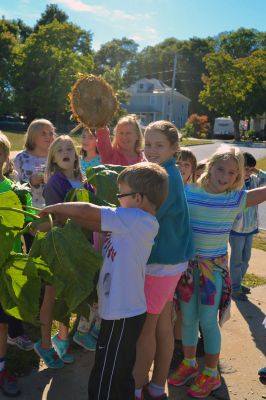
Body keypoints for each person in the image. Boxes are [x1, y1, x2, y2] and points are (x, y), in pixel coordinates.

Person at [39, 162, 169, 400]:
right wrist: (65, 219)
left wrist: (56, 207)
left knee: (108, 376)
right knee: (112, 369)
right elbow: (94, 222)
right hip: (118, 311)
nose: (117, 199)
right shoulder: (131, 221)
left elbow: (88, 211)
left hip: (123, 313)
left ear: (138, 198)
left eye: (121, 194)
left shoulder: (137, 220)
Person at [168, 145, 266, 398]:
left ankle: (211, 372)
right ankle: (190, 363)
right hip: (188, 269)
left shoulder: (236, 199)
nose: (224, 176)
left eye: (232, 173)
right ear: (210, 168)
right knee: (187, 319)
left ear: (238, 177)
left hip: (213, 271)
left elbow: (263, 193)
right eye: (220, 169)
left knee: (208, 321)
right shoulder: (188, 192)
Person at [134, 121, 194, 400]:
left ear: (174, 148)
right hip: (170, 262)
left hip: (161, 264)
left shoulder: (165, 178)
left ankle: (136, 387)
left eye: (159, 145)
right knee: (162, 324)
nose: (151, 150)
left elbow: (147, 216)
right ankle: (157, 386)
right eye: (148, 144)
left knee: (146, 328)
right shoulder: (166, 172)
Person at [34, 135, 93, 368]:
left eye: (70, 148)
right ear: (54, 159)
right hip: (59, 245)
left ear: (76, 155)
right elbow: (56, 217)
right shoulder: (55, 183)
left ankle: (63, 339)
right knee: (51, 295)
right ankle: (44, 344)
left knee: (73, 294)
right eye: (60, 150)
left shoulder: (84, 179)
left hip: (79, 244)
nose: (66, 151)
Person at [0, 132, 34, 398]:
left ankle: (2, 368)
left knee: (2, 322)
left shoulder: (14, 191)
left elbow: (30, 221)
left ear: (6, 158)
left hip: (6, 265)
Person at [13, 119, 55, 252]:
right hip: (28, 211)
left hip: (51, 211)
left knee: (50, 248)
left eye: (51, 133)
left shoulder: (55, 157)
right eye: (43, 133)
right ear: (33, 136)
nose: (49, 136)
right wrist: (31, 181)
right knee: (32, 249)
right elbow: (15, 184)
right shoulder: (21, 158)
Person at [229, 152, 266, 301]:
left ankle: (238, 283)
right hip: (236, 229)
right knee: (236, 260)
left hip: (250, 228)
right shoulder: (233, 183)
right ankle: (234, 288)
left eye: (251, 169)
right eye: (246, 168)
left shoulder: (254, 181)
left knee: (246, 258)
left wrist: (256, 170)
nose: (249, 172)